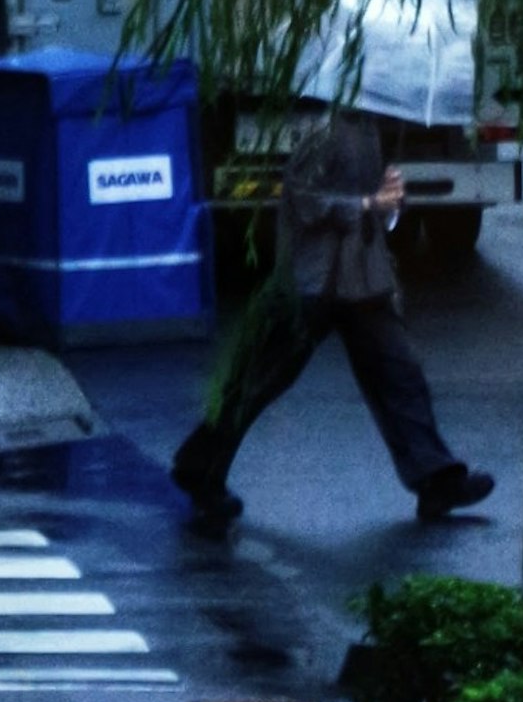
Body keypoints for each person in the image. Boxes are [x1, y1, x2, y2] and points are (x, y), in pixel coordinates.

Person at [174, 99, 491, 530]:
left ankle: (436, 478)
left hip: (360, 280)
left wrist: (390, 199)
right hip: (315, 280)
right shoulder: (326, 132)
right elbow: (302, 198)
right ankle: (200, 467)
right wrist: (366, 203)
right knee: (261, 378)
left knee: (400, 374)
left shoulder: (368, 127)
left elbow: (369, 203)